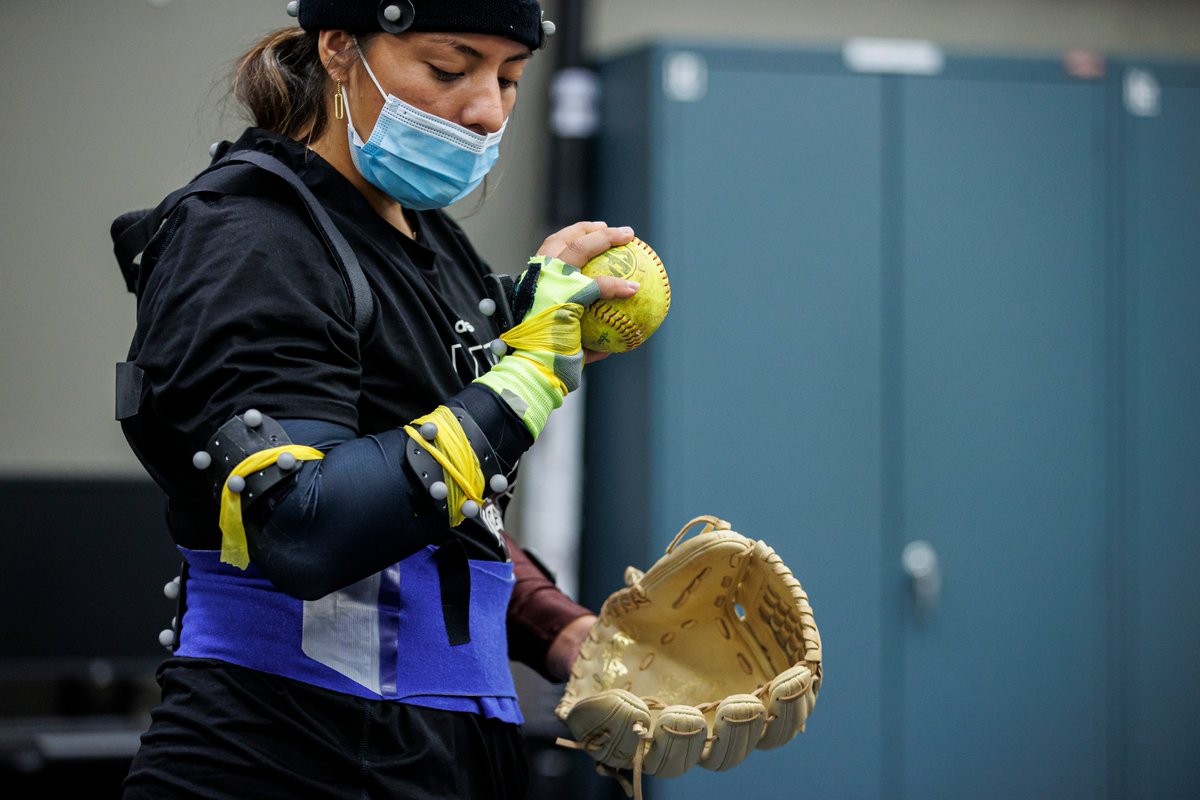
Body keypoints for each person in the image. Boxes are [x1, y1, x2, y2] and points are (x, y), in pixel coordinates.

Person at [114, 1, 641, 797]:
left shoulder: (433, 243)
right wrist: (523, 381)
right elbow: (306, 529)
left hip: (444, 754)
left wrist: (561, 630)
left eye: (509, 77)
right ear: (337, 49)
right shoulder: (249, 235)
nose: (487, 109)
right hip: (279, 757)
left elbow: (449, 516)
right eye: (448, 67)